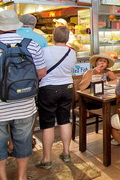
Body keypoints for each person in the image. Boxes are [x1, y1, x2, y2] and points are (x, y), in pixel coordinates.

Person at [0, 10, 46, 180]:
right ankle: (22, 177)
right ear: (16, 26)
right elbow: (41, 73)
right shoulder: (31, 44)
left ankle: (3, 177)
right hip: (25, 105)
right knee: (23, 142)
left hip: (0, 108)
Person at [35, 26, 77, 169]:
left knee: (48, 124)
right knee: (65, 120)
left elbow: (39, 70)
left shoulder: (44, 51)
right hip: (67, 88)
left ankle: (46, 159)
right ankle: (66, 153)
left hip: (48, 89)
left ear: (53, 37)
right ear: (67, 37)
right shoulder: (72, 53)